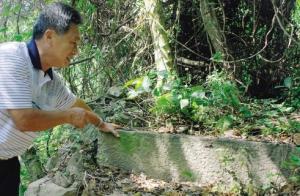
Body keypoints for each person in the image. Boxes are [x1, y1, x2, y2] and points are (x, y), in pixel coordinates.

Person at [0, 2, 120, 195]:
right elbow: (23, 120)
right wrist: (68, 117)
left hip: (8, 164)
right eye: (73, 42)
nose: (76, 51)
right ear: (49, 36)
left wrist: (101, 123)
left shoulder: (51, 80)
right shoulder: (11, 57)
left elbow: (75, 104)